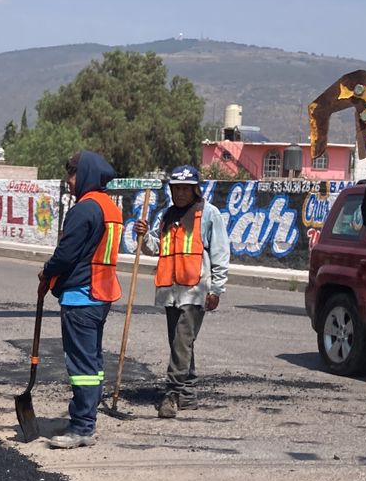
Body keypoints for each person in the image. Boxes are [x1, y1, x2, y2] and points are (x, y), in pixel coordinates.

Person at [37, 150, 122, 449]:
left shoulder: (85, 209)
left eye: (72, 175)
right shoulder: (110, 207)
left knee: (81, 364)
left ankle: (83, 427)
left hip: (81, 296)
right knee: (93, 362)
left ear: (84, 174)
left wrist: (46, 272)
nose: (69, 182)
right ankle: (86, 417)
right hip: (101, 295)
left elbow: (66, 254)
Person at [133, 164, 229, 418]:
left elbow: (220, 252)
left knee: (182, 341)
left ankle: (172, 393)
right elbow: (156, 247)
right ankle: (188, 394)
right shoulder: (167, 216)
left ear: (195, 189)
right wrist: (143, 236)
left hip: (196, 290)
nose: (182, 193)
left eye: (186, 188)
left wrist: (217, 288)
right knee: (179, 343)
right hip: (170, 291)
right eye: (177, 189)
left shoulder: (208, 214)